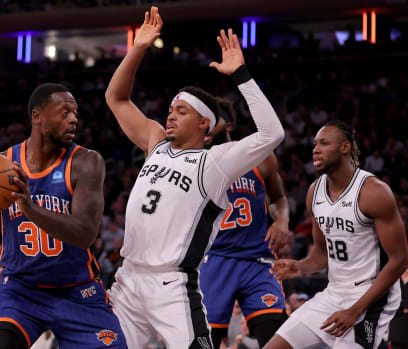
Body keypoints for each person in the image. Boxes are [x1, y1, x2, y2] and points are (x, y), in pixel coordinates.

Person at [105, 6, 284, 349]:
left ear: (205, 123)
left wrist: (241, 75)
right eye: (171, 109)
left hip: (172, 285)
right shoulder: (155, 142)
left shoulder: (216, 162)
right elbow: (116, 98)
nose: (170, 116)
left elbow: (272, 134)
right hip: (127, 280)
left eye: (181, 111)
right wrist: (138, 48)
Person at [0, 83, 127, 349]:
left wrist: (31, 209)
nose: (74, 119)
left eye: (76, 113)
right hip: (21, 290)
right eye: (65, 112)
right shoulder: (1, 166)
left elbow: (85, 234)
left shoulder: (86, 162)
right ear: (38, 116)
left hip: (77, 290)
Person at [265, 120, 408, 349]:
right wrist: (300, 266)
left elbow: (400, 260)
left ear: (344, 147)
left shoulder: (373, 192)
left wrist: (355, 310)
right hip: (334, 292)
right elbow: (322, 254)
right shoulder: (315, 192)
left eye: (324, 143)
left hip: (371, 298)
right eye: (314, 144)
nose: (315, 149)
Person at [200, 99, 290, 348]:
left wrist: (281, 220)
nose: (203, 125)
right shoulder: (194, 162)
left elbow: (279, 198)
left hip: (258, 261)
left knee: (275, 339)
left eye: (210, 119)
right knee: (207, 342)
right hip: (214, 260)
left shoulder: (260, 156)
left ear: (227, 125)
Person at [389, 247, 408, 349]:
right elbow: (390, 303)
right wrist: (405, 307)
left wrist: (400, 305)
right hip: (396, 333)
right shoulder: (393, 280)